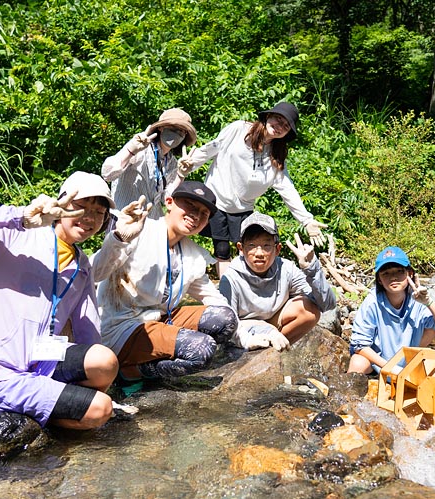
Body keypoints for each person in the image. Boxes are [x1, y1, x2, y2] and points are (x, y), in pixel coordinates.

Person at [0, 171, 149, 429]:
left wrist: (119, 239)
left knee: (104, 361)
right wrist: (21, 217)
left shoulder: (80, 264)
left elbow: (87, 330)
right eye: (80, 208)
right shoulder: (12, 237)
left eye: (99, 212)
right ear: (60, 205)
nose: (89, 218)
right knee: (100, 410)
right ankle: (62, 416)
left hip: (40, 361)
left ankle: (62, 404)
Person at [92, 180, 238, 382]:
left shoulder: (192, 255)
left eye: (204, 214)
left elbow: (214, 298)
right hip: (123, 326)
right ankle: (129, 372)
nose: (196, 215)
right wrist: (119, 238)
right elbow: (95, 272)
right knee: (201, 349)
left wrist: (245, 336)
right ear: (169, 202)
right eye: (190, 205)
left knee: (225, 319)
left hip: (161, 318)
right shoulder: (139, 230)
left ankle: (159, 354)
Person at [176, 102, 328, 276]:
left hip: (243, 208)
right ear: (267, 117)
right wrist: (189, 164)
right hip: (217, 199)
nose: (279, 127)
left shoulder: (277, 155)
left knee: (248, 248)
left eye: (285, 126)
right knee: (222, 248)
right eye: (278, 120)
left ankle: (246, 288)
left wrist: (306, 220)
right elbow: (212, 148)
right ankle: (224, 292)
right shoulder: (239, 129)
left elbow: (287, 189)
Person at [219, 211, 336, 351]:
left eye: (266, 246)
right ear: (241, 249)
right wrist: (267, 330)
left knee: (309, 311)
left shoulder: (286, 269)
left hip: (275, 321)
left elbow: (327, 305)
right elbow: (227, 324)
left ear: (277, 249)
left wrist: (312, 269)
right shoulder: (230, 278)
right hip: (243, 328)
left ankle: (272, 352)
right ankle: (262, 350)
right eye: (251, 245)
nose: (259, 253)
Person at [347, 247, 435, 375]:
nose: (393, 278)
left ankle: (412, 363)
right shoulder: (372, 302)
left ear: (410, 273)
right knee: (357, 362)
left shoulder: (420, 296)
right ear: (379, 279)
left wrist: (428, 303)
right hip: (379, 363)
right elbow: (360, 345)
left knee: (433, 322)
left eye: (399, 271)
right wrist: (391, 368)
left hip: (409, 359)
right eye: (386, 273)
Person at [102, 108, 197, 220]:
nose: (177, 133)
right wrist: (130, 150)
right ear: (161, 128)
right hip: (123, 220)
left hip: (149, 224)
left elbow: (166, 199)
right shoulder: (140, 148)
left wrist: (181, 175)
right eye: (173, 128)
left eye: (182, 131)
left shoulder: (172, 163)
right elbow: (107, 173)